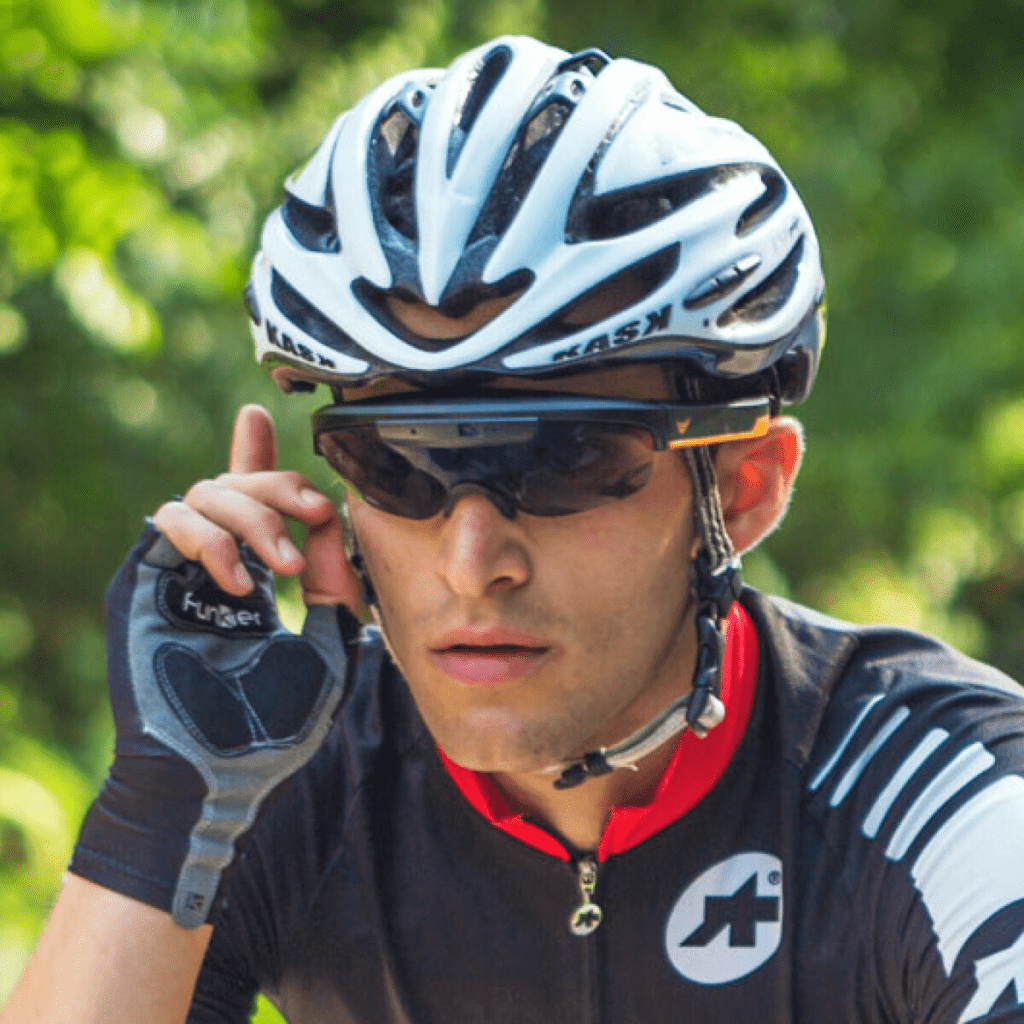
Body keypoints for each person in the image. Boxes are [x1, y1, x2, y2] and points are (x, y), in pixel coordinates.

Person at [4, 35, 1024, 1024]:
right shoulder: (285, 789)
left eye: (564, 463)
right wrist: (165, 812)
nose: (469, 560)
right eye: (395, 466)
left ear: (744, 487)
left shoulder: (946, 799)